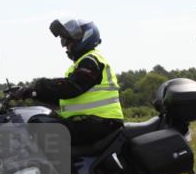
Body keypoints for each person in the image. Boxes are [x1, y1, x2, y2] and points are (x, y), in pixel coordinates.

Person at [17, 18, 124, 148]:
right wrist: (32, 94)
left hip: (101, 123)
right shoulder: (82, 63)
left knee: (40, 127)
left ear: (83, 38)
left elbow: (72, 87)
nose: (65, 46)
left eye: (67, 40)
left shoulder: (91, 60)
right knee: (41, 120)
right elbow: (64, 96)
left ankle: (45, 168)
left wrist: (36, 87)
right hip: (94, 122)